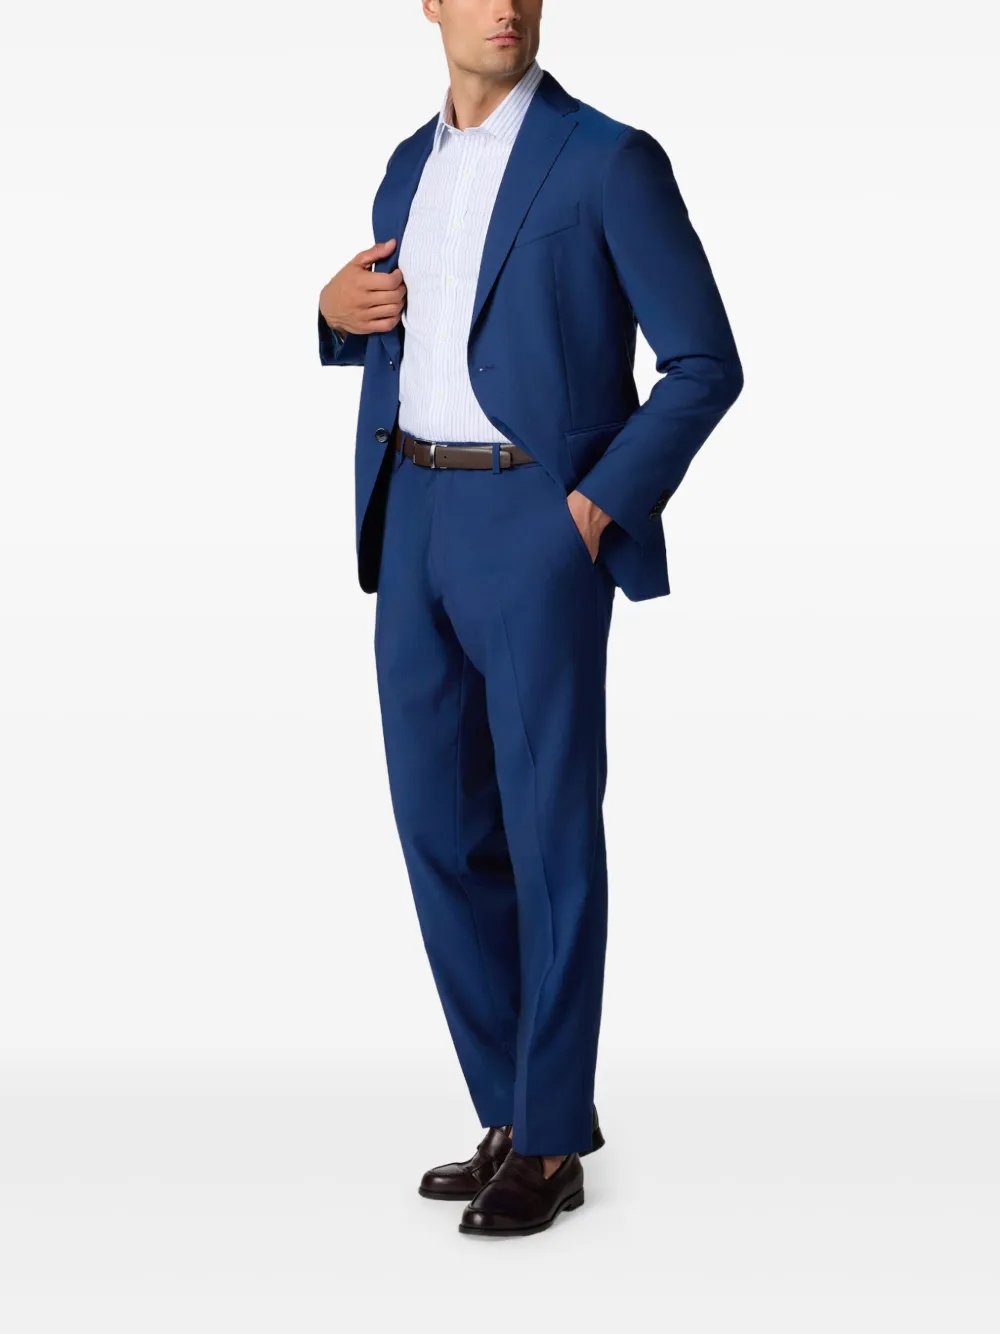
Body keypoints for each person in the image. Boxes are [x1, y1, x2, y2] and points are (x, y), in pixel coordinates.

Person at [317, 0, 743, 1239]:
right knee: (438, 830)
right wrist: (332, 317)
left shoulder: (608, 159)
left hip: (532, 521)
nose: (504, 5)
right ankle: (508, 1108)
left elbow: (705, 361)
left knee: (547, 828)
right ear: (430, 4)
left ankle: (552, 1136)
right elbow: (409, 333)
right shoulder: (406, 164)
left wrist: (593, 508)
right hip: (412, 511)